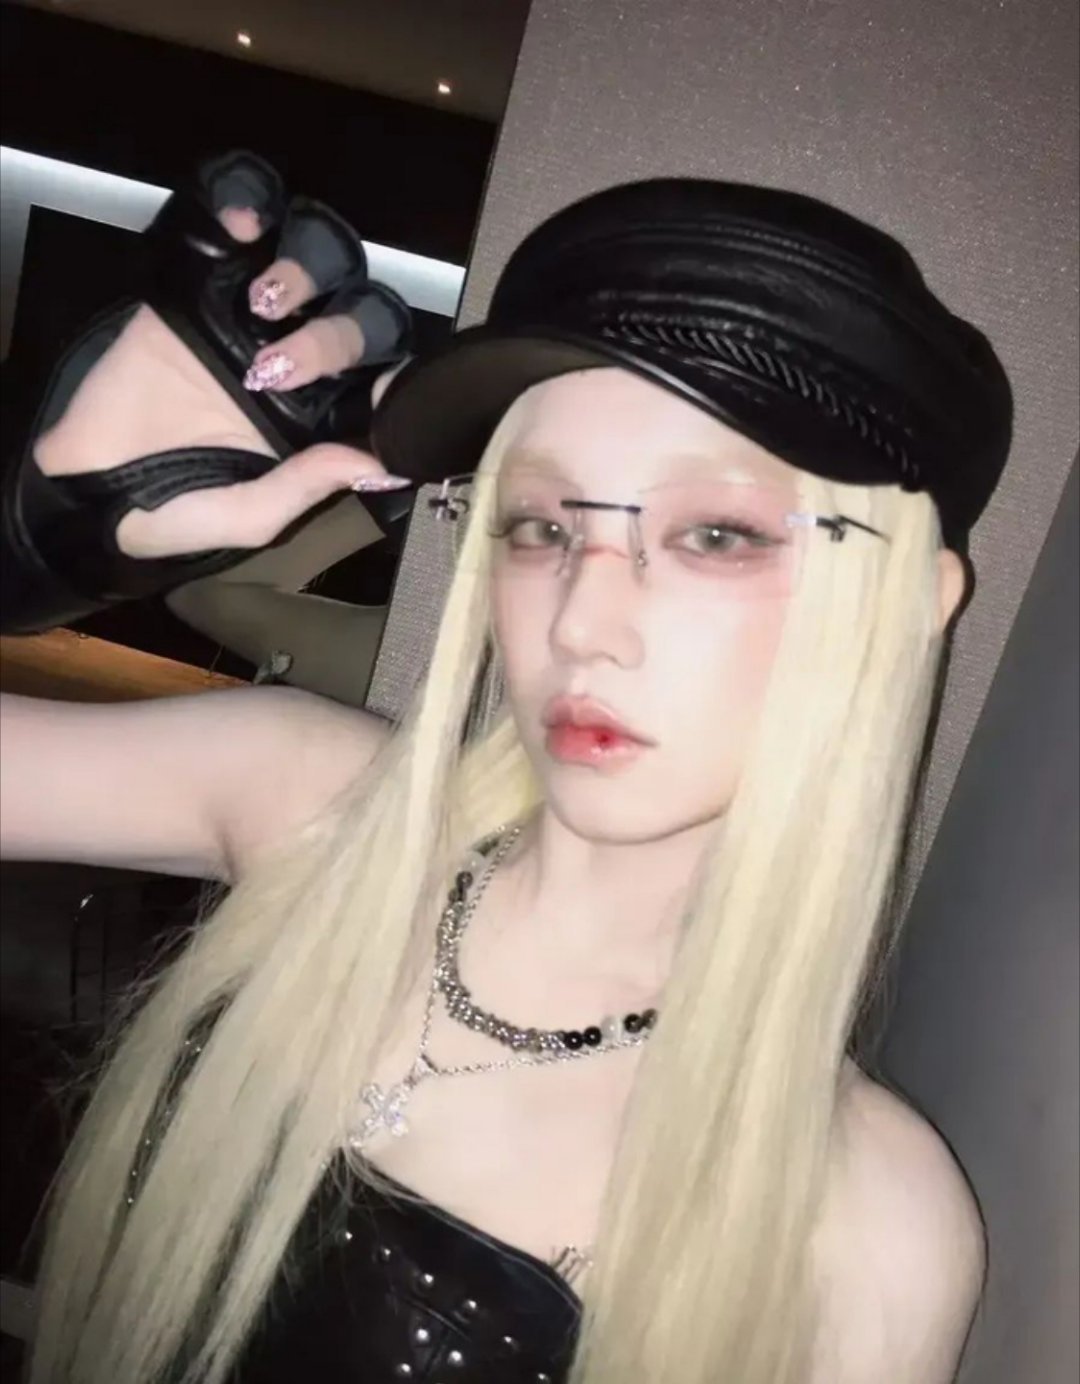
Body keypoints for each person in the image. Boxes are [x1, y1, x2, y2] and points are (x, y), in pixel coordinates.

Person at [0, 156, 1013, 1384]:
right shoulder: (305, 804)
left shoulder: (868, 1230)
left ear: (911, 602)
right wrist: (34, 560)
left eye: (715, 533)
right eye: (543, 526)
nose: (582, 620)